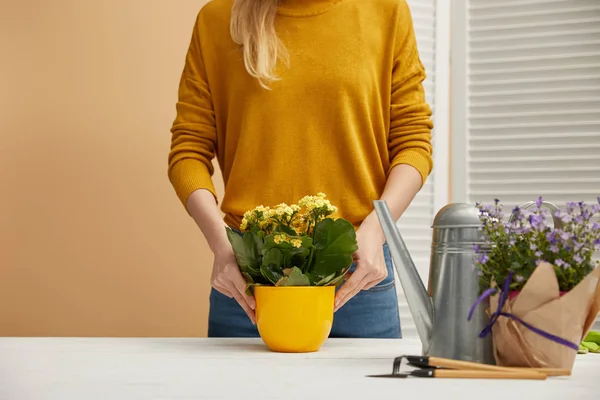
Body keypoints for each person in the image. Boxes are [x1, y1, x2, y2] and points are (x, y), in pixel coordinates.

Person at [168, 0, 433, 339]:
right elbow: (188, 151)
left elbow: (413, 143)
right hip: (250, 278)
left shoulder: (386, 11)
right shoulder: (216, 19)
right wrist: (222, 245)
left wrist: (376, 231)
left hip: (357, 273)